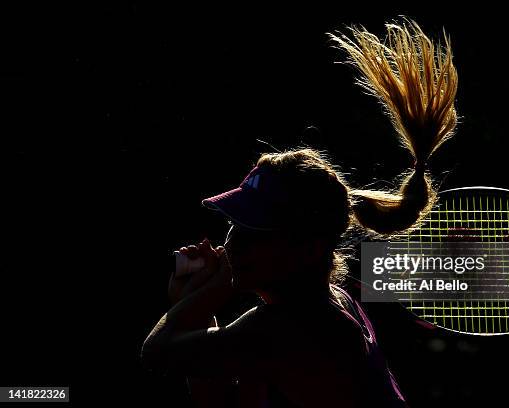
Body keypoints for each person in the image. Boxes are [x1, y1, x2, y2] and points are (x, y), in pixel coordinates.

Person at [142, 18, 458, 407]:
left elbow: (157, 356)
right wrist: (196, 308)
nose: (233, 243)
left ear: (308, 249)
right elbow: (219, 398)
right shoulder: (320, 304)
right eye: (235, 225)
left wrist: (209, 292)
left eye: (256, 232)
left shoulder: (292, 327)